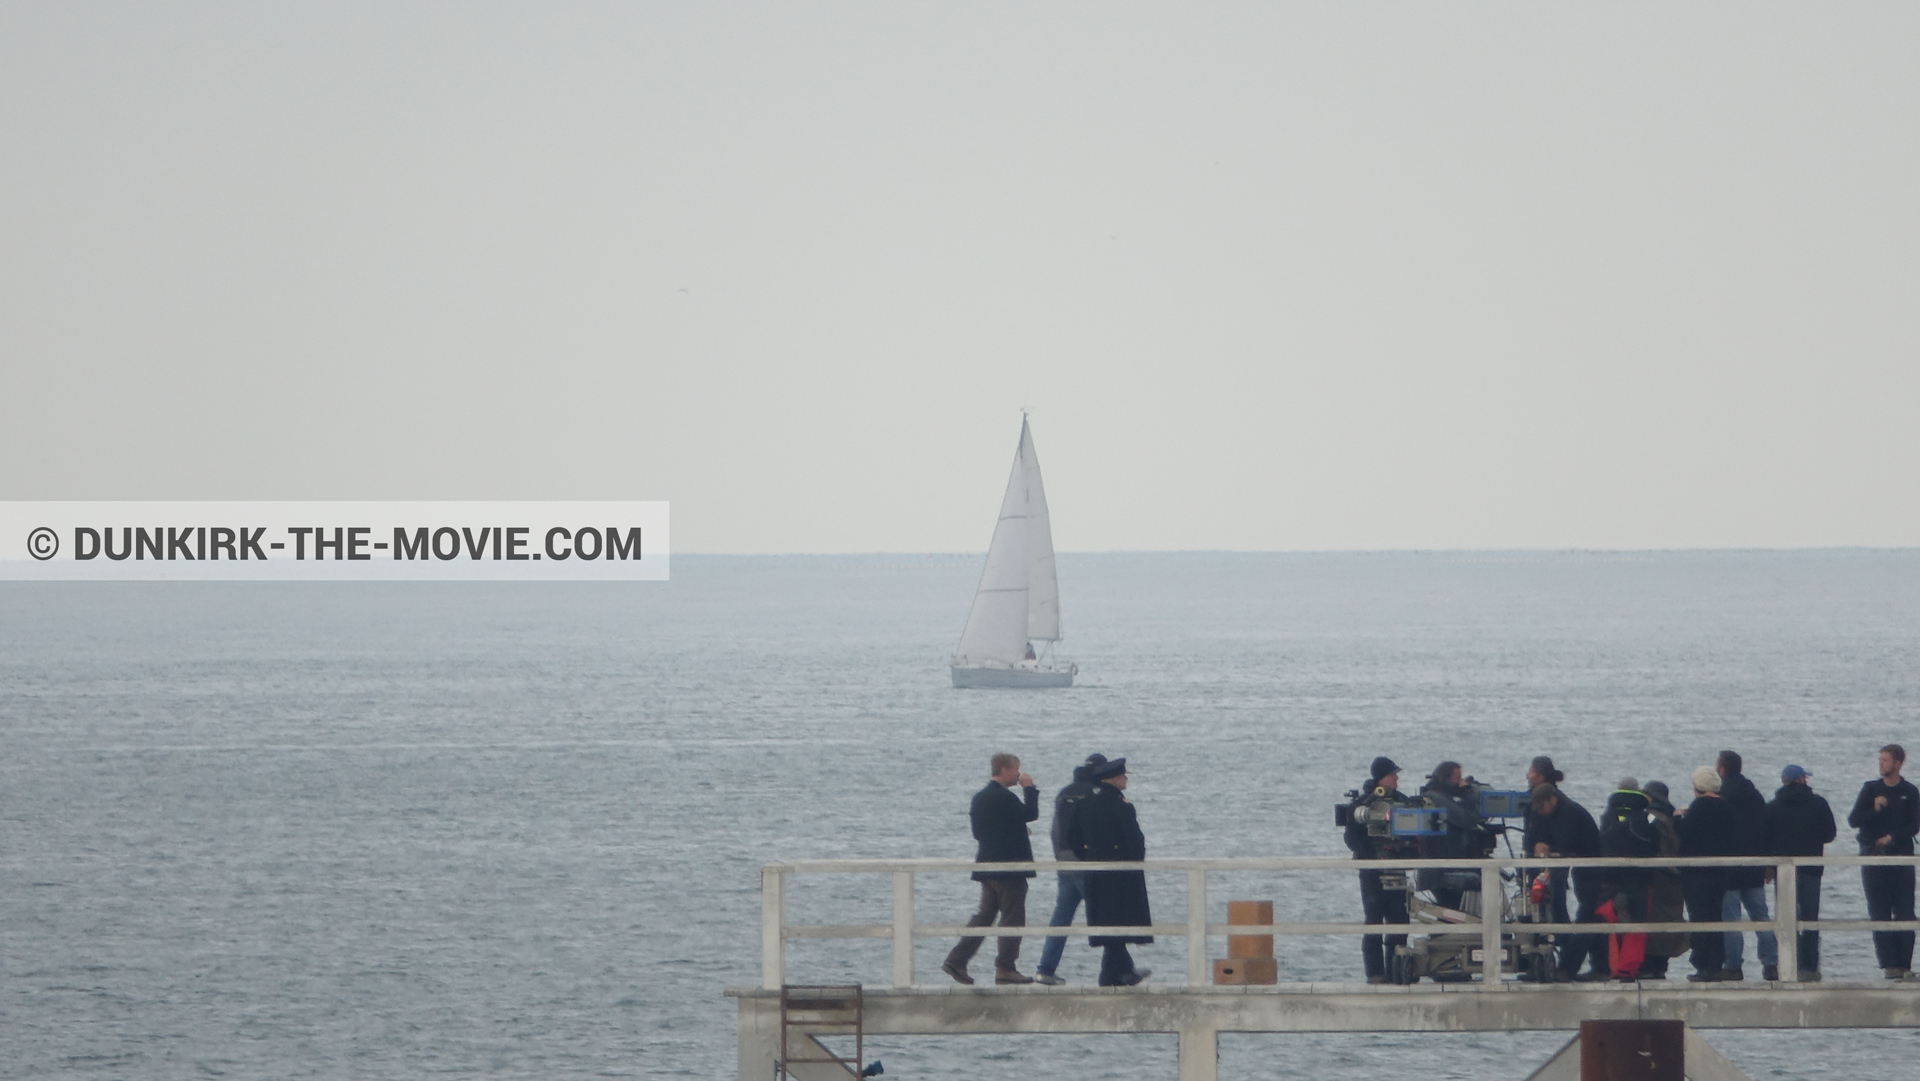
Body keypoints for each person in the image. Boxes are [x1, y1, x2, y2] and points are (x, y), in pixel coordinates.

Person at [941, 753, 1041, 985]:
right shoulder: (1005, 797)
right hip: (1009, 868)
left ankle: (957, 960)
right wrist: (1030, 788)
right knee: (1012, 917)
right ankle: (1005, 967)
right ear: (1005, 770)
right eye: (1016, 770)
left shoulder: (980, 798)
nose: (1018, 775)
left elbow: (979, 832)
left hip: (987, 866)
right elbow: (1031, 814)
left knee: (985, 915)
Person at [1067, 757, 1153, 986]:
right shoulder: (1122, 806)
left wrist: (1088, 859)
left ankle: (1116, 974)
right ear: (1114, 779)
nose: (1125, 779)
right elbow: (1135, 841)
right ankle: (1115, 975)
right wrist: (1135, 864)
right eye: (1123, 775)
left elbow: (1071, 837)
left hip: (1096, 874)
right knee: (1118, 924)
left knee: (1109, 924)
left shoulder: (1085, 804)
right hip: (1122, 876)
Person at [1847, 744, 1920, 979]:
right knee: (1879, 912)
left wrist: (1892, 837)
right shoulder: (1870, 789)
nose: (1881, 764)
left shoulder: (1909, 791)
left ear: (1897, 763)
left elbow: (1914, 824)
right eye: (1880, 760)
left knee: (1905, 911)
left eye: (1886, 760)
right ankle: (1889, 966)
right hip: (1874, 858)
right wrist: (1874, 809)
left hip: (1901, 857)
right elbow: (1854, 820)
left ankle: (1904, 964)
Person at [1034, 754, 1107, 985]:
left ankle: (1045, 968)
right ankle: (1120, 969)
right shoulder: (1094, 794)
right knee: (1106, 915)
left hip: (1064, 863)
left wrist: (1060, 857)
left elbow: (1055, 830)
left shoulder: (1065, 792)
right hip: (1084, 864)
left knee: (1061, 918)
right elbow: (1094, 831)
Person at [1763, 764, 1837, 981]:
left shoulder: (1773, 806)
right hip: (1812, 868)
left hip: (1782, 869)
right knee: (1810, 918)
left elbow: (1765, 838)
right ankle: (1810, 967)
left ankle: (1789, 963)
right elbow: (1829, 834)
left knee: (1786, 917)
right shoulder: (1818, 804)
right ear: (1801, 780)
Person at [1346, 756, 1414, 984]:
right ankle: (1375, 973)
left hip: (1396, 866)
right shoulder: (1362, 804)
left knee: (1400, 920)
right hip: (1372, 870)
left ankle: (1397, 969)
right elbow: (1352, 836)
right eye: (1392, 774)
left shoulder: (1401, 801)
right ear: (1381, 778)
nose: (1396, 778)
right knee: (1374, 920)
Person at [1529, 783, 1605, 981]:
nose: (1540, 812)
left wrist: (1547, 847)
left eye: (1542, 807)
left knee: (1586, 916)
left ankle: (1567, 968)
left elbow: (1565, 843)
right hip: (1579, 866)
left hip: (1590, 867)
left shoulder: (1570, 813)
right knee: (1591, 916)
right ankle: (1599, 965)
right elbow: (1544, 832)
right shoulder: (1553, 812)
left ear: (1552, 800)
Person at [1715, 750, 1779, 980]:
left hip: (1729, 867)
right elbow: (1766, 829)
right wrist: (1767, 861)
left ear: (1722, 769)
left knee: (1731, 920)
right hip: (1754, 865)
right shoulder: (1755, 796)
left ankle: (1733, 966)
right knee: (1761, 916)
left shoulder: (1721, 797)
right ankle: (1771, 963)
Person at [1676, 766, 1739, 981]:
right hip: (1720, 872)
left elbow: (1685, 834)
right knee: (1715, 917)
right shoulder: (1726, 806)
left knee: (1699, 918)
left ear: (1697, 788)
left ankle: (1702, 965)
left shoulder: (1699, 806)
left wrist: (1677, 818)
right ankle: (1715, 964)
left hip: (1697, 874)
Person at [1596, 779, 1661, 981]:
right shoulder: (1646, 817)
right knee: (1636, 923)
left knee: (1611, 921)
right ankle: (1628, 968)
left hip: (1610, 880)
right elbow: (1654, 841)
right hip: (1639, 880)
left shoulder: (1607, 816)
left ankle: (1607, 966)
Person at [1417, 761, 1494, 912]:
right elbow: (1466, 819)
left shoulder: (1447, 796)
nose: (1459, 782)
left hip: (1452, 863)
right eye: (1456, 778)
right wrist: (1466, 793)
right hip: (1442, 868)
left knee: (1456, 911)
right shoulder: (1434, 796)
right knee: (1451, 910)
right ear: (1443, 778)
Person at [1637, 781, 1689, 979]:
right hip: (1676, 877)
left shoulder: (1651, 818)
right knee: (1671, 919)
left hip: (1657, 877)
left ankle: (1649, 966)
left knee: (1653, 920)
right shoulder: (1675, 818)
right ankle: (1661, 966)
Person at [1522, 757, 1572, 944]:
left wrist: (1542, 845)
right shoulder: (1543, 798)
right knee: (1539, 908)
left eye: (1531, 771)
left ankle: (1563, 948)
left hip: (1549, 861)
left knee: (1555, 907)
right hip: (1537, 860)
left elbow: (1550, 828)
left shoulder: (1552, 801)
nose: (1528, 775)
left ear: (1540, 776)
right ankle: (1539, 949)